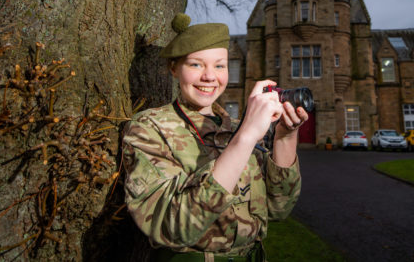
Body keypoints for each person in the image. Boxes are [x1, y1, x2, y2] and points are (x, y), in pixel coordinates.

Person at [122, 13, 308, 262]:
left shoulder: (234, 128)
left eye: (220, 65)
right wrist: (245, 138)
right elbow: (173, 227)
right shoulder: (149, 128)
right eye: (196, 64)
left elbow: (279, 208)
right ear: (174, 68)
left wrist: (285, 137)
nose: (210, 76)